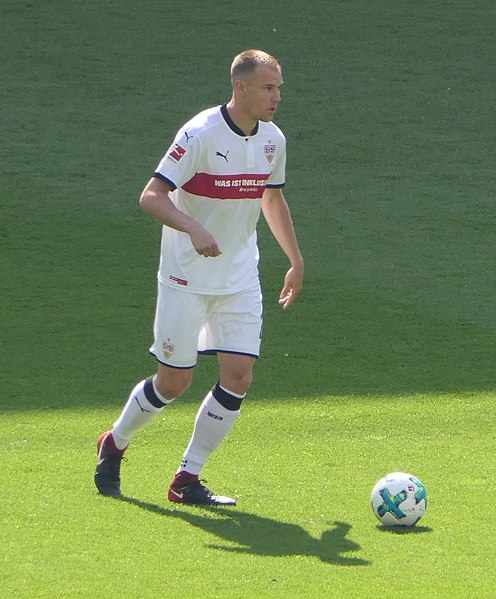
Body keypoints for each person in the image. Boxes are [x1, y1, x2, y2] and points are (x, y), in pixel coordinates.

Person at [94, 49, 304, 505]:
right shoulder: (200, 133)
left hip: (240, 278)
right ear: (241, 87)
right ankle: (115, 442)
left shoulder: (273, 140)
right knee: (173, 383)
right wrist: (192, 227)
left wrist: (295, 258)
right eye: (269, 88)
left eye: (279, 87)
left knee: (239, 376)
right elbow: (151, 196)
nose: (277, 97)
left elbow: (271, 198)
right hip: (186, 278)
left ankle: (187, 478)